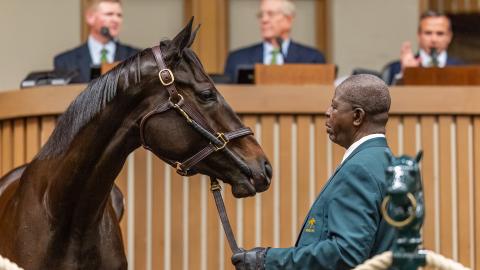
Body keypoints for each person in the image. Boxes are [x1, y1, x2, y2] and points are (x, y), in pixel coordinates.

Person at [231, 74, 396, 270]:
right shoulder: (389, 162)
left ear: (357, 116)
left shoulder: (359, 168)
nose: (327, 112)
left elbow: (347, 252)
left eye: (334, 107)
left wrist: (267, 260)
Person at [223, 0, 326, 83]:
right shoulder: (237, 59)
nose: (264, 20)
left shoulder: (312, 59)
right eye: (261, 15)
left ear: (288, 20)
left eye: (270, 14)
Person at [54, 0, 139, 83]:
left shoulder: (137, 57)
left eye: (119, 15)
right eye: (109, 14)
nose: (116, 20)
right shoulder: (65, 61)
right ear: (90, 17)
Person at [384, 10, 463, 85]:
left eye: (440, 33)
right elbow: (388, 97)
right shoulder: (395, 69)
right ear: (419, 36)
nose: (434, 39)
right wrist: (406, 74)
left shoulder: (462, 68)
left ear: (449, 37)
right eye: (428, 33)